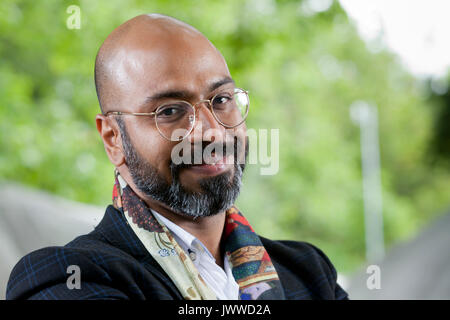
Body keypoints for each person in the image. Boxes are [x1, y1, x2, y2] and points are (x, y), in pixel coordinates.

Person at [6, 14, 348, 300]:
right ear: (113, 138)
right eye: (169, 110)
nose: (211, 131)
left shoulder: (309, 274)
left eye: (221, 100)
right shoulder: (68, 277)